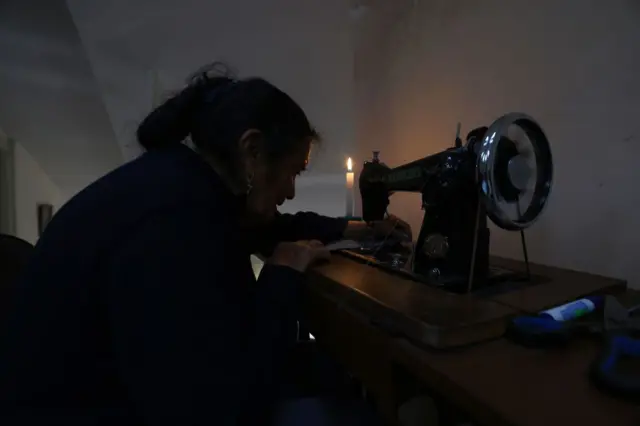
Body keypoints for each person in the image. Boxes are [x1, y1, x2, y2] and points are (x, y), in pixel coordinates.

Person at [0, 63, 411, 426]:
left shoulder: (183, 185)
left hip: (123, 397)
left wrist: (355, 229)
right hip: (102, 412)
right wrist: (279, 279)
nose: (289, 190)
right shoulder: (172, 223)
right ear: (251, 150)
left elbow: (268, 227)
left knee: (330, 375)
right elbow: (220, 410)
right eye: (292, 172)